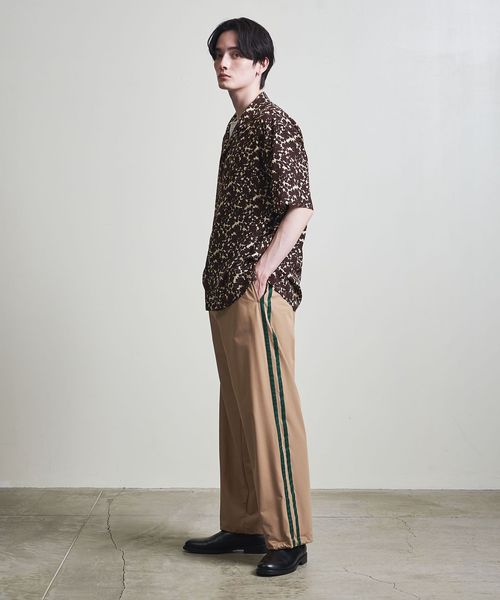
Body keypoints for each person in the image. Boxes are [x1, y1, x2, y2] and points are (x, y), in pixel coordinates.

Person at [183, 17, 315, 577]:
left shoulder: (275, 124)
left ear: (262, 63)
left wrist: (263, 270)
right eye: (218, 53)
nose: (223, 62)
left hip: (257, 290)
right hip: (225, 287)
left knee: (270, 414)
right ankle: (244, 524)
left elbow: (299, 207)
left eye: (236, 54)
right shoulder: (237, 127)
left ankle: (290, 537)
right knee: (237, 412)